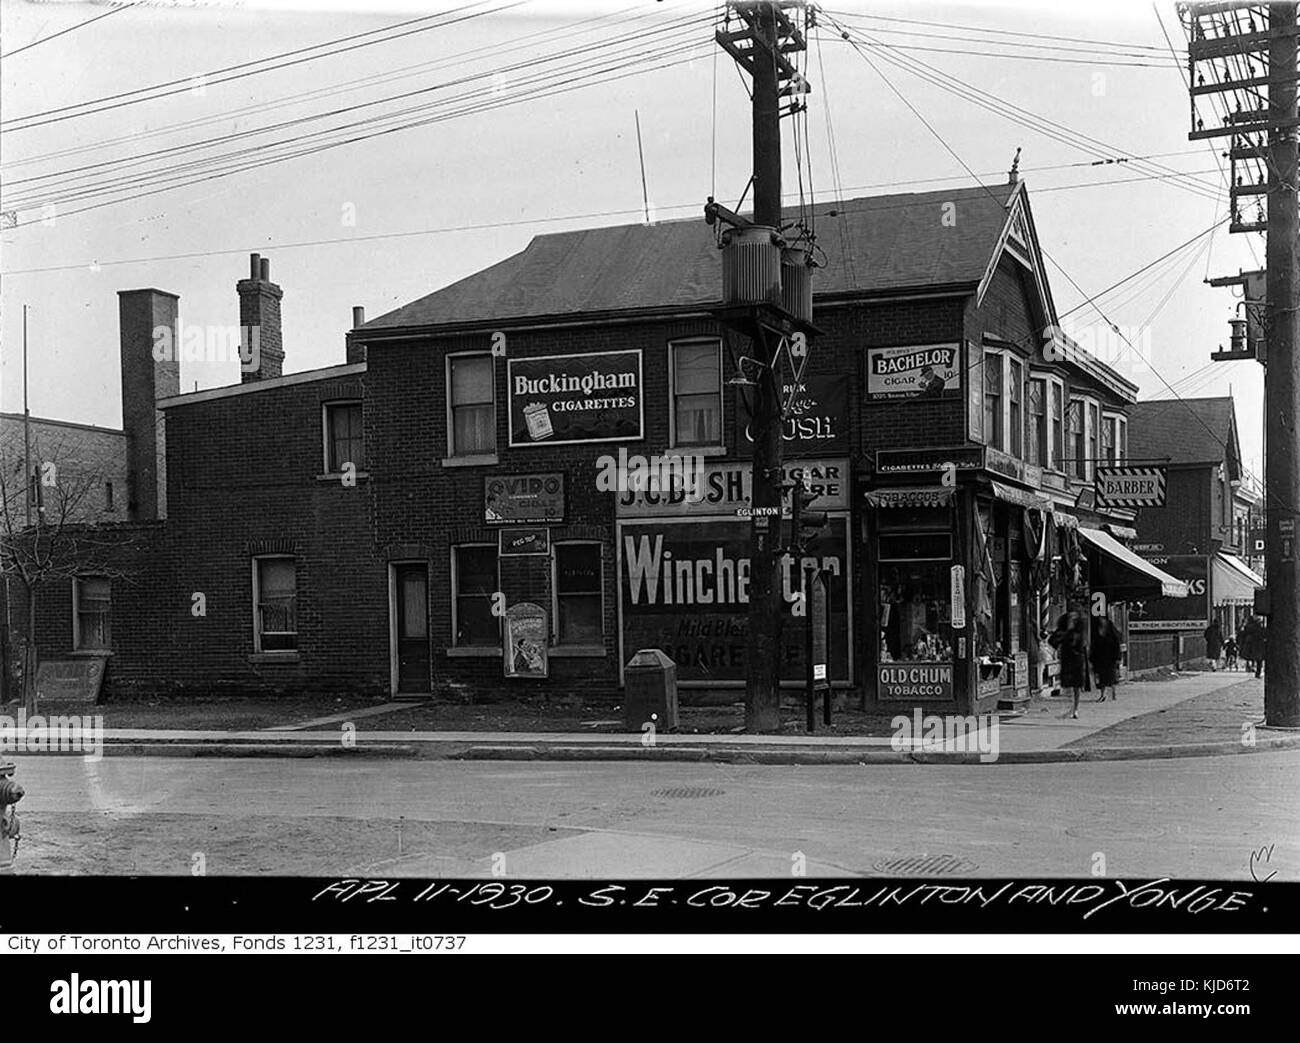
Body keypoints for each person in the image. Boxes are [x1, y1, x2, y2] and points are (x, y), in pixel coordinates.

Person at [1048, 604, 1088, 719]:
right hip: (1067, 657)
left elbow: (1082, 642)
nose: (1072, 617)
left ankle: (1075, 709)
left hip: (1077, 658)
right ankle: (1071, 708)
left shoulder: (1079, 628)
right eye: (1071, 614)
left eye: (1074, 615)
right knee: (1067, 684)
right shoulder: (1063, 626)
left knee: (1076, 684)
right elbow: (1054, 640)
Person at [1090, 614, 1122, 702]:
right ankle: (1103, 695)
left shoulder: (1111, 632)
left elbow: (1116, 645)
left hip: (1110, 659)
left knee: (1111, 677)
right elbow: (1094, 646)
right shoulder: (1097, 631)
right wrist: (1092, 658)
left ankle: (1113, 694)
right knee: (1101, 678)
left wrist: (1118, 658)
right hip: (1100, 659)